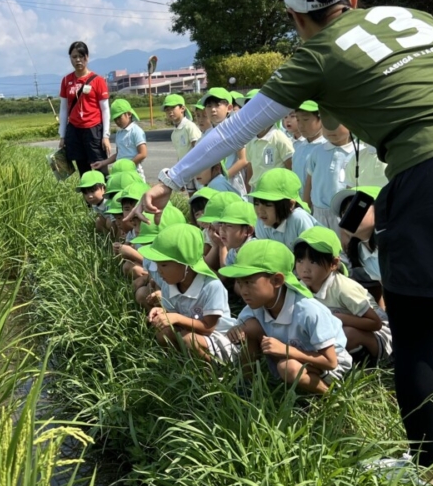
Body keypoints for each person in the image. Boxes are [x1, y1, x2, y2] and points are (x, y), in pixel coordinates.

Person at [136, 0, 433, 481]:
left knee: (412, 329)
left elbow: (237, 128)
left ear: (295, 18)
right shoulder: (416, 17)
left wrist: (167, 181)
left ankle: (426, 469)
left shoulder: (315, 56)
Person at [223, 239, 352, 394]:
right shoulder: (257, 304)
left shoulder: (308, 311)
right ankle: (248, 387)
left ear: (277, 280)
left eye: (249, 282)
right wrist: (236, 330)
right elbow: (245, 325)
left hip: (330, 366)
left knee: (288, 368)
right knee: (248, 328)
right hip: (290, 355)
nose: (243, 291)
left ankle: (330, 395)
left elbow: (330, 361)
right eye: (239, 283)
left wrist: (287, 351)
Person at [293, 226, 392, 366]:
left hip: (380, 336)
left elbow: (376, 323)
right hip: (337, 333)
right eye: (300, 260)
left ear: (334, 264)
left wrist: (339, 318)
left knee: (348, 333)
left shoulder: (344, 288)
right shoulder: (301, 287)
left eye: (313, 261)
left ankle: (365, 364)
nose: (305, 268)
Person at [142, 224, 239, 363]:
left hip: (222, 339)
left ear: (186, 264)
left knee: (189, 340)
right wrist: (162, 312)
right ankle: (181, 366)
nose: (158, 271)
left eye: (163, 265)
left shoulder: (212, 286)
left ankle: (212, 375)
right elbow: (174, 317)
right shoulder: (169, 285)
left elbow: (208, 327)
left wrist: (176, 317)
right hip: (193, 333)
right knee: (163, 334)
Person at [59, 41, 111, 178]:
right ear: (70, 58)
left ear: (87, 57)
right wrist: (62, 136)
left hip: (94, 130)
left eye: (81, 56)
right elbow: (63, 109)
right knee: (84, 173)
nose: (78, 60)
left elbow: (105, 110)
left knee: (101, 170)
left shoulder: (98, 80)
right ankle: (89, 198)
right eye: (74, 56)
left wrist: (105, 136)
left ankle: (107, 198)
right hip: (75, 130)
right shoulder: (66, 81)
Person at [304, 121, 355, 230]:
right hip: (318, 213)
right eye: (327, 124)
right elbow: (309, 182)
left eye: (337, 123)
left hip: (343, 212)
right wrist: (305, 208)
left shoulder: (357, 153)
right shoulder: (317, 151)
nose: (331, 129)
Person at [249, 168, 317, 248]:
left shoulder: (299, 219)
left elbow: (310, 255)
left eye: (268, 205)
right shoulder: (261, 223)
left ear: (290, 204)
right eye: (257, 204)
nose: (260, 210)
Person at [203, 88, 249, 196]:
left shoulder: (234, 130)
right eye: (209, 106)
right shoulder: (206, 134)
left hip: (232, 183)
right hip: (212, 184)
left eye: (217, 105)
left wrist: (224, 177)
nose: (213, 110)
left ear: (229, 108)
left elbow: (243, 160)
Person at [93, 99, 148, 180]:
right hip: (121, 173)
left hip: (134, 173)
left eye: (119, 117)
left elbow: (143, 154)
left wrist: (127, 166)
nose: (117, 121)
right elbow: (119, 154)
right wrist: (103, 163)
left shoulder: (136, 131)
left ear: (129, 114)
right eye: (115, 119)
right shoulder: (119, 134)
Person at [289, 101, 327, 186]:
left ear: (321, 119)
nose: (301, 125)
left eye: (305, 119)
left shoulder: (326, 148)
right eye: (298, 120)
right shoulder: (299, 148)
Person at [165, 94, 202, 161]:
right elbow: (180, 155)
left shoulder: (189, 126)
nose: (170, 112)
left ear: (182, 108)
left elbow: (198, 149)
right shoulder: (174, 134)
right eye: (167, 110)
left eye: (173, 108)